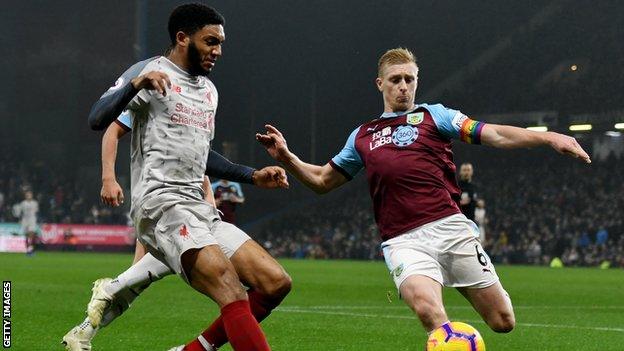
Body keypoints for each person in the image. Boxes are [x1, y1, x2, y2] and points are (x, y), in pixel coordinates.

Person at [256, 48, 590, 342]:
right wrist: (287, 157)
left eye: (409, 79)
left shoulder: (437, 116)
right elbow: (322, 180)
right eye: (396, 79)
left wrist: (549, 138)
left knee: (503, 321)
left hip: (452, 230)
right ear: (380, 84)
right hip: (403, 241)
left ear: (417, 80)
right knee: (431, 314)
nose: (403, 86)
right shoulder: (363, 136)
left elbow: (495, 135)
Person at [66, 4, 290, 351]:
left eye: (220, 42)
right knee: (230, 290)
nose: (218, 50)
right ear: (183, 38)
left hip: (199, 207)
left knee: (275, 283)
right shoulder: (150, 72)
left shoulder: (209, 92)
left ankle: (191, 349)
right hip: (161, 203)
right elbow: (99, 120)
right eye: (211, 41)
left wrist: (253, 175)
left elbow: (201, 156)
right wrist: (136, 84)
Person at [13, 190, 39, 255]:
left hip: (32, 220)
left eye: (30, 195)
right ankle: (28, 250)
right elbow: (18, 213)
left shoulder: (35, 203)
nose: (28, 196)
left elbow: (36, 211)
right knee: (27, 236)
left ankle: (31, 249)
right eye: (27, 195)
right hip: (25, 221)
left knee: (31, 235)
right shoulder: (23, 203)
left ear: (32, 195)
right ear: (25, 196)